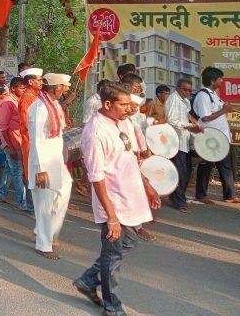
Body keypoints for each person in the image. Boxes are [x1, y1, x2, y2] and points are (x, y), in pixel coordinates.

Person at [74, 82, 161, 316]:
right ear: (108, 104)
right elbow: (96, 176)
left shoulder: (122, 122)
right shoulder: (95, 132)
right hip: (112, 202)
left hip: (130, 195)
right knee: (112, 255)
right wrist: (111, 216)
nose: (129, 109)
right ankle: (112, 307)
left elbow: (129, 158)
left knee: (129, 243)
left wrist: (147, 185)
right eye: (124, 105)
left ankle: (88, 280)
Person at [29, 73, 73, 260]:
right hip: (43, 162)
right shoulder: (39, 107)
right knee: (45, 204)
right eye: (64, 87)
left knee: (64, 190)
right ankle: (43, 244)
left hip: (56, 160)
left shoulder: (54, 105)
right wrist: (40, 169)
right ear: (55, 88)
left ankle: (44, 230)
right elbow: (36, 139)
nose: (67, 90)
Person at [193, 67, 240, 204]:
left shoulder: (214, 95)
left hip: (221, 138)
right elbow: (205, 118)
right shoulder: (203, 95)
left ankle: (229, 195)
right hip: (210, 138)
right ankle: (201, 195)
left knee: (226, 167)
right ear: (212, 80)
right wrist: (224, 111)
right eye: (220, 79)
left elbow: (230, 108)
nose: (222, 81)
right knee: (206, 166)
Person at [165, 78, 202, 212]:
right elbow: (172, 121)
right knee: (181, 172)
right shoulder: (173, 99)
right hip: (175, 142)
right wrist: (191, 126)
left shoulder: (186, 102)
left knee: (186, 171)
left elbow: (186, 117)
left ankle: (176, 196)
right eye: (184, 89)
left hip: (184, 141)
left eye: (189, 90)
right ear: (178, 88)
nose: (187, 92)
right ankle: (179, 201)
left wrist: (194, 129)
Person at [0, 77, 29, 210]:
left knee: (10, 169)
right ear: (13, 88)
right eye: (22, 88)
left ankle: (1, 193)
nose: (24, 90)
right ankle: (22, 201)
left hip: (20, 141)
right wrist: (10, 148)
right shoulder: (7, 102)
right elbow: (3, 128)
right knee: (18, 171)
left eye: (24, 88)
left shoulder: (19, 101)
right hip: (12, 143)